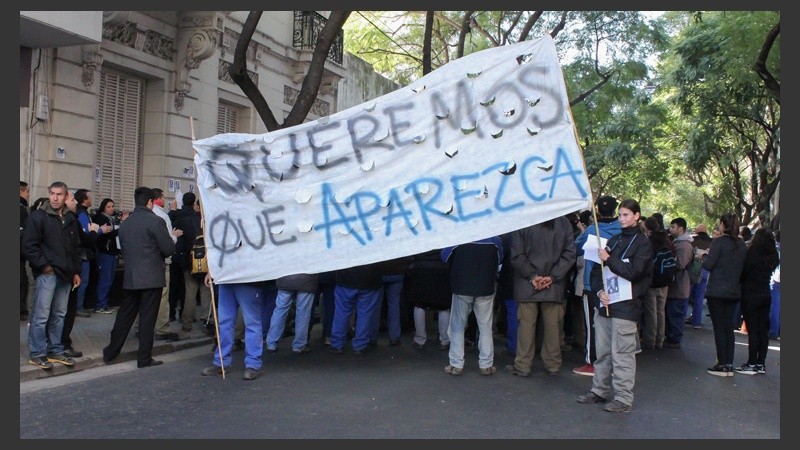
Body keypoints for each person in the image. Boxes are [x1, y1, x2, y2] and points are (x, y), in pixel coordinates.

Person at [577, 199, 652, 413]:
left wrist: (609, 259)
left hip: (626, 307)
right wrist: (600, 292)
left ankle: (623, 397)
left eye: (626, 215)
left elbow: (634, 273)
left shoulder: (643, 243)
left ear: (637, 216)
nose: (622, 219)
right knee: (602, 352)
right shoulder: (615, 239)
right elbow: (596, 271)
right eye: (620, 215)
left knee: (623, 354)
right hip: (605, 304)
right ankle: (599, 389)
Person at [102, 187, 175, 368]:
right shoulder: (156, 221)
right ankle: (144, 358)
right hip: (152, 277)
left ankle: (111, 351)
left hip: (131, 275)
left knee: (125, 316)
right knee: (147, 319)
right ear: (150, 202)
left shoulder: (126, 223)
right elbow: (168, 249)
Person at [21, 181, 87, 370]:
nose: (55, 198)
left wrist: (76, 271)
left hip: (66, 274)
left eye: (59, 194)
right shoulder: (38, 217)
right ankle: (38, 353)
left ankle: (55, 349)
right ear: (48, 194)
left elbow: (75, 248)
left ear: (66, 196)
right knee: (41, 315)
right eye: (52, 194)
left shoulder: (71, 218)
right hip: (47, 274)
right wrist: (44, 266)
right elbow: (29, 245)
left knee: (59, 314)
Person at [505, 216, 576, 377]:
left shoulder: (523, 219)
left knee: (526, 326)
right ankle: (553, 364)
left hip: (527, 284)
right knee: (553, 327)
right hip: (554, 285)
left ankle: (523, 364)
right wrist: (552, 277)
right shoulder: (563, 222)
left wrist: (532, 276)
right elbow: (570, 254)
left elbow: (517, 255)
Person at [572, 195, 621, 376]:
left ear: (598, 210)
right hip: (617, 283)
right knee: (615, 323)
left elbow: (576, 248)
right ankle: (614, 362)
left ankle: (592, 362)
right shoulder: (622, 230)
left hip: (592, 284)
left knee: (593, 324)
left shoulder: (593, 230)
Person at [441, 236, 503, 376]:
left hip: (462, 287)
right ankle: (486, 364)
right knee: (485, 327)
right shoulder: (495, 238)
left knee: (458, 326)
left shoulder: (460, 235)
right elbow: (499, 261)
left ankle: (456, 364)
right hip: (486, 288)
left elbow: (444, 256)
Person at [133, 188, 182, 341]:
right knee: (161, 298)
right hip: (160, 264)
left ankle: (139, 328)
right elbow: (166, 245)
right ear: (154, 200)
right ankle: (162, 329)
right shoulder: (161, 217)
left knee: (140, 298)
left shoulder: (134, 218)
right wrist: (174, 237)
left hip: (139, 265)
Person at [702, 212, 747, 377]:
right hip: (734, 290)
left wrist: (704, 256)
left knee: (719, 328)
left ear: (723, 224)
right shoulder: (741, 245)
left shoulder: (719, 242)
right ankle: (729, 363)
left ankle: (721, 363)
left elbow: (709, 265)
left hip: (717, 290)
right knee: (728, 328)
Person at [201, 275, 266, 380]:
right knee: (230, 323)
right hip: (234, 279)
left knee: (245, 323)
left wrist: (213, 271)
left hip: (236, 278)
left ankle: (225, 362)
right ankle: (249, 364)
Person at [734, 227, 779, 375]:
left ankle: (751, 362)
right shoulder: (772, 255)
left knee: (753, 329)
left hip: (750, 293)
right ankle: (760, 363)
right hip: (765, 292)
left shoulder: (752, 253)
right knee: (762, 330)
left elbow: (743, 272)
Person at [330, 263, 384, 354]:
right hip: (370, 279)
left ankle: (337, 344)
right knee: (365, 314)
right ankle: (360, 345)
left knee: (341, 312)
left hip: (345, 278)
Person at [74, 189, 112, 314]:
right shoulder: (82, 214)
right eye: (89, 197)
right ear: (84, 199)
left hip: (85, 252)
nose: (91, 199)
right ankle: (78, 308)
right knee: (83, 281)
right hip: (83, 253)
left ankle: (79, 307)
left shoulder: (83, 213)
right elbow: (87, 232)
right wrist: (100, 230)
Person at [266, 273, 318, 354]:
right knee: (303, 313)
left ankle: (271, 343)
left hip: (285, 278)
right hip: (307, 280)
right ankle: (299, 346)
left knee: (280, 311)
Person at [641, 217, 673, 350]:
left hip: (652, 282)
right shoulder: (667, 240)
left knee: (651, 312)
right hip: (665, 282)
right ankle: (660, 339)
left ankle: (650, 340)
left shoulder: (649, 242)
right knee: (660, 311)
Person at [663, 217, 694, 349]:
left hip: (680, 285)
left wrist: (670, 263)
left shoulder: (684, 245)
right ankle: (672, 336)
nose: (671, 229)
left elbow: (680, 264)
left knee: (676, 313)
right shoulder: (678, 243)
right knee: (672, 312)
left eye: (673, 227)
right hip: (677, 285)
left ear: (680, 228)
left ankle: (674, 338)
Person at [92, 198, 123, 316]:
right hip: (105, 251)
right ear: (104, 207)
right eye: (109, 206)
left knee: (109, 279)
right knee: (104, 280)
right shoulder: (101, 218)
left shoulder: (113, 218)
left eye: (113, 206)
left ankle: (104, 303)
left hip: (112, 252)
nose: (112, 209)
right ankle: (101, 304)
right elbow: (108, 234)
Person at [687, 223, 712, 328]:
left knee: (686, 295)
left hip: (693, 270)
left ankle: (682, 318)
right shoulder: (712, 242)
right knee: (699, 297)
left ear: (697, 230)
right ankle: (696, 322)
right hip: (705, 270)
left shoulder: (692, 240)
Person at [20, 181, 30, 321]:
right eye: (26, 191)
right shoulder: (21, 209)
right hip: (20, 254)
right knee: (21, 281)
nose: (28, 194)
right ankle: (21, 309)